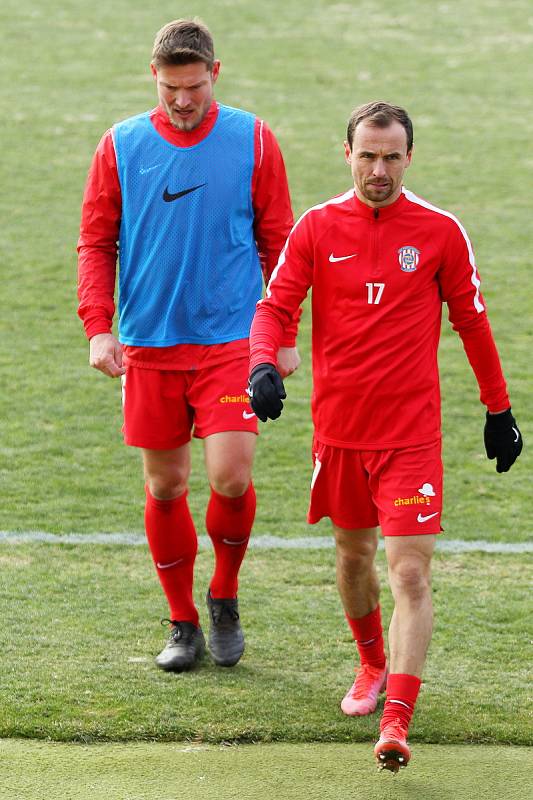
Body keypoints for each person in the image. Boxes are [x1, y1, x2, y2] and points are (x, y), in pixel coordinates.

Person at [248, 101, 523, 772]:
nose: (378, 169)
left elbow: (472, 322)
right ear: (346, 154)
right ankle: (370, 661)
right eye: (367, 156)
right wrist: (261, 363)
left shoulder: (438, 232)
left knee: (408, 572)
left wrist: (498, 410)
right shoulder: (316, 227)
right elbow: (275, 306)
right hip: (339, 434)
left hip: (410, 436)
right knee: (352, 561)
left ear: (409, 157)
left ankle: (396, 720)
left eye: (390, 156)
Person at [77, 18, 300, 673]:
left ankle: (224, 595)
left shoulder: (252, 138)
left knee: (230, 475)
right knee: (166, 484)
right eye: (171, 87)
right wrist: (98, 327)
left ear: (215, 75)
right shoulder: (119, 145)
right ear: (155, 76)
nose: (182, 100)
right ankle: (183, 622)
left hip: (233, 338)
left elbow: (279, 239)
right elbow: (96, 243)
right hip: (150, 343)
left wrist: (280, 336)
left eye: (194, 87)